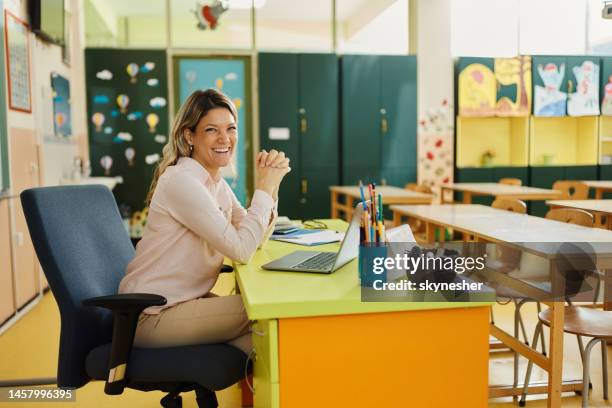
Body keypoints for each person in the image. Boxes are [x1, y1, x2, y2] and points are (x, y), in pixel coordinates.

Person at [118, 89, 290, 355]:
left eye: (231, 128)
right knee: (266, 306)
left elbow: (253, 240)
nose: (225, 139)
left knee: (270, 343)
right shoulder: (182, 181)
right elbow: (242, 251)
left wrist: (273, 187)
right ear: (190, 136)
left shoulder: (215, 183)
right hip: (152, 314)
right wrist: (263, 189)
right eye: (211, 130)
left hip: (183, 302)